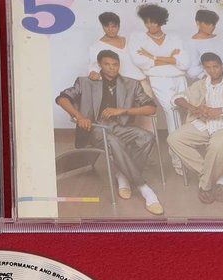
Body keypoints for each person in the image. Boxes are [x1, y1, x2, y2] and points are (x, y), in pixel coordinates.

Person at [56, 50, 164, 215]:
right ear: (100, 64)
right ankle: (145, 189)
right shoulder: (86, 82)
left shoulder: (132, 84)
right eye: (107, 64)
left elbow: (151, 108)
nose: (112, 68)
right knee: (113, 141)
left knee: (147, 137)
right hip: (95, 128)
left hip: (120, 127)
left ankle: (123, 176)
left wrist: (122, 110)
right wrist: (79, 116)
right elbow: (62, 98)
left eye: (115, 64)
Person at [167, 53, 223, 203]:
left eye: (215, 67)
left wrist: (221, 111)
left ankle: (205, 186)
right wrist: (195, 108)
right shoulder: (201, 85)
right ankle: (221, 179)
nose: (212, 71)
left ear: (222, 66)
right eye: (208, 68)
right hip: (204, 123)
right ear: (204, 69)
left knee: (216, 146)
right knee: (174, 138)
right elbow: (177, 98)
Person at [129, 4, 190, 174]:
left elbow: (185, 63)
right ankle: (178, 162)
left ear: (161, 21)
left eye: (153, 22)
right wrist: (171, 59)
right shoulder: (137, 38)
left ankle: (187, 158)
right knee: (173, 113)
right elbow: (140, 62)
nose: (149, 25)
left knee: (186, 116)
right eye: (146, 22)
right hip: (159, 80)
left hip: (180, 78)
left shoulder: (175, 37)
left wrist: (153, 57)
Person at [87, 12, 147, 82]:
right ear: (102, 26)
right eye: (106, 26)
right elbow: (94, 67)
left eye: (114, 26)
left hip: (142, 80)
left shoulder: (128, 41)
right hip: (123, 84)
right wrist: (93, 73)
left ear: (119, 26)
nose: (110, 29)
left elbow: (142, 59)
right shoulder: (96, 47)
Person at [187, 9, 223, 80]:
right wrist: (208, 79)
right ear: (198, 23)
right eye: (207, 23)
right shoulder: (192, 43)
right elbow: (192, 69)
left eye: (213, 24)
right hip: (213, 82)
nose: (211, 26)